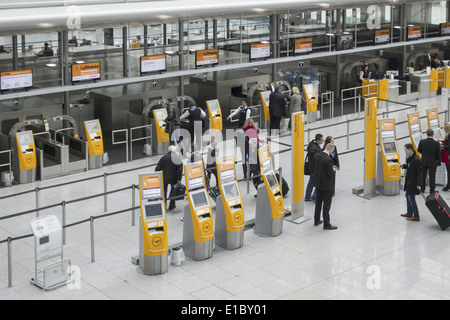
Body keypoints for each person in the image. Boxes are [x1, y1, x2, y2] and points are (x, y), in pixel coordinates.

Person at [313, 143, 337, 230]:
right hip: (327, 186)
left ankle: (316, 220)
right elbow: (330, 174)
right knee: (326, 205)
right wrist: (333, 170)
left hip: (318, 184)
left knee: (318, 203)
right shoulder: (328, 160)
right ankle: (326, 224)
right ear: (330, 149)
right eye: (332, 151)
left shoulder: (317, 156)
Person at [155, 145, 183, 210]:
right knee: (173, 190)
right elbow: (179, 170)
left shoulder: (163, 158)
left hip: (164, 178)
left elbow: (157, 168)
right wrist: (179, 179)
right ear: (175, 150)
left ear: (169, 150)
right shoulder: (177, 158)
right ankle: (172, 205)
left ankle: (164, 205)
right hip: (174, 178)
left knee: (164, 191)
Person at [400, 143, 422, 222]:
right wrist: (404, 166)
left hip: (413, 183)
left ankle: (416, 216)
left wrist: (419, 184)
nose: (405, 151)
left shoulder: (416, 160)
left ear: (409, 150)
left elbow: (420, 173)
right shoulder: (411, 158)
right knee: (407, 196)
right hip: (409, 181)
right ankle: (409, 213)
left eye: (405, 149)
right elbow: (410, 167)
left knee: (411, 198)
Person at [418, 128, 441, 194]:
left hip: (424, 161)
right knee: (432, 176)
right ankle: (432, 190)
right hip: (433, 162)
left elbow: (419, 150)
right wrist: (439, 162)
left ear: (426, 134)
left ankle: (422, 189)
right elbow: (438, 154)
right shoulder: (436, 143)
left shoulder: (422, 141)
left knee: (423, 175)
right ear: (433, 134)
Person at [305, 134, 324, 202]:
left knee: (311, 181)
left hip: (311, 167)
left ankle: (307, 196)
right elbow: (317, 159)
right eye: (321, 139)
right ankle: (315, 197)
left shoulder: (311, 144)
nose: (323, 141)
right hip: (315, 168)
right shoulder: (316, 150)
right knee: (319, 182)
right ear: (318, 140)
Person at [441, 123, 450, 191]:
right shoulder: (448, 135)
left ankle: (448, 185)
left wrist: (443, 146)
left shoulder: (449, 136)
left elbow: (449, 146)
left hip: (448, 155)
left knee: (449, 171)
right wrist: (442, 141)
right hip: (447, 154)